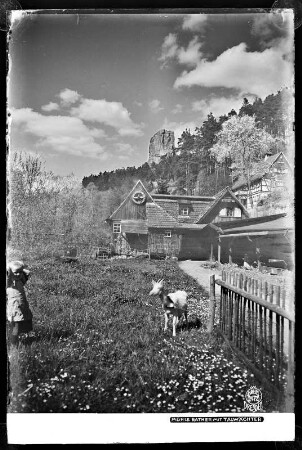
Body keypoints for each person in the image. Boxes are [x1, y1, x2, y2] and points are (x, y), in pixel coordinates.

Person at [6, 260, 33, 346]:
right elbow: (8, 275)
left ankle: (29, 337)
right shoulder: (9, 283)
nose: (18, 274)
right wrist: (10, 270)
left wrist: (21, 269)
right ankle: (14, 341)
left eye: (20, 272)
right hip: (15, 308)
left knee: (28, 321)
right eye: (16, 272)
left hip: (23, 305)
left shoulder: (20, 280)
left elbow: (28, 273)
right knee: (16, 325)